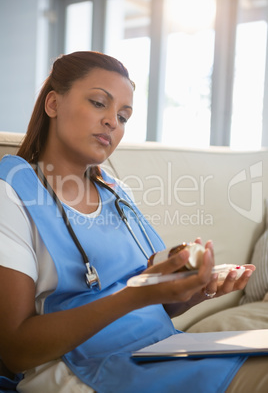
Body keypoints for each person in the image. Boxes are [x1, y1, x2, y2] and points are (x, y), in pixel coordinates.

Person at [0, 51, 260, 393]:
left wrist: (194, 290)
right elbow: (15, 351)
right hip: (84, 370)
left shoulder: (115, 191)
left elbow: (156, 304)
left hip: (158, 350)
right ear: (53, 104)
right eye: (98, 103)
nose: (112, 122)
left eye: (123, 116)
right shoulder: (13, 191)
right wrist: (134, 296)